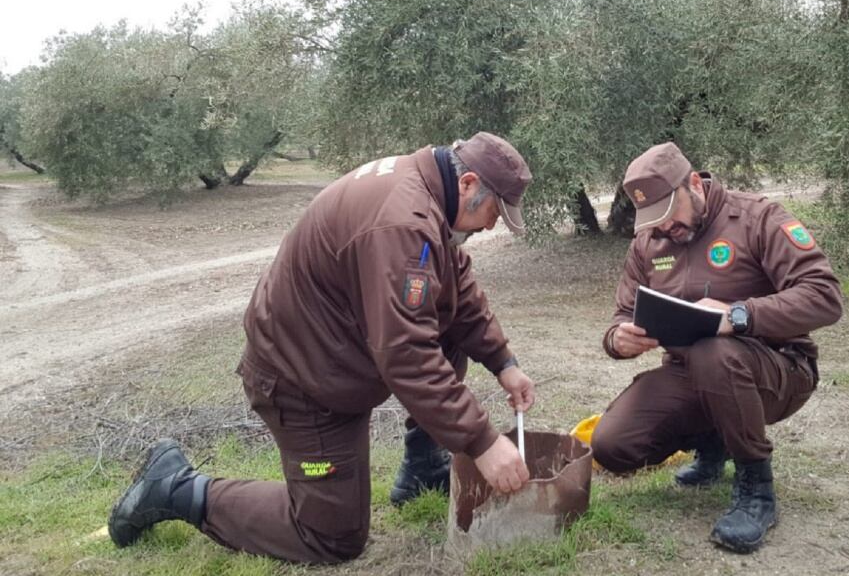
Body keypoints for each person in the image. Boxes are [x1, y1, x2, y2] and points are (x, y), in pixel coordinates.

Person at [108, 132, 537, 563]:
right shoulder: (403, 223)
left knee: (444, 327)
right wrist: (481, 442)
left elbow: (456, 288)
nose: (489, 226)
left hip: (341, 348)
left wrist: (503, 362)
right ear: (468, 183)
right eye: (492, 211)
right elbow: (407, 354)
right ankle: (176, 487)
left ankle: (424, 470)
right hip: (303, 377)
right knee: (331, 535)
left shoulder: (430, 195)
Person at [591, 142, 843, 553]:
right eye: (653, 221)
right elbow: (622, 315)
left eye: (670, 215)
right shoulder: (647, 245)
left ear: (694, 183)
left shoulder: (758, 218)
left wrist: (738, 315)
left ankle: (756, 486)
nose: (664, 229)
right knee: (613, 446)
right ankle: (713, 443)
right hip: (691, 373)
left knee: (714, 351)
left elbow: (825, 297)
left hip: (778, 369)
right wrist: (617, 340)